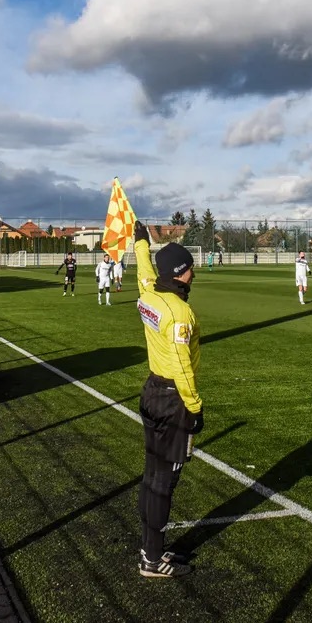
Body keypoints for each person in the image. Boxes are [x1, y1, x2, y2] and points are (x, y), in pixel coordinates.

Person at [132, 221, 200, 578]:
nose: (194, 273)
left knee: (151, 475)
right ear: (181, 273)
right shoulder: (179, 312)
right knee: (164, 482)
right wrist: (194, 407)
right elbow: (181, 364)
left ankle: (149, 550)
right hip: (173, 399)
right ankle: (152, 560)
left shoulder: (149, 294)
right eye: (190, 267)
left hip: (152, 392)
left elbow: (145, 272)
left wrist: (140, 243)